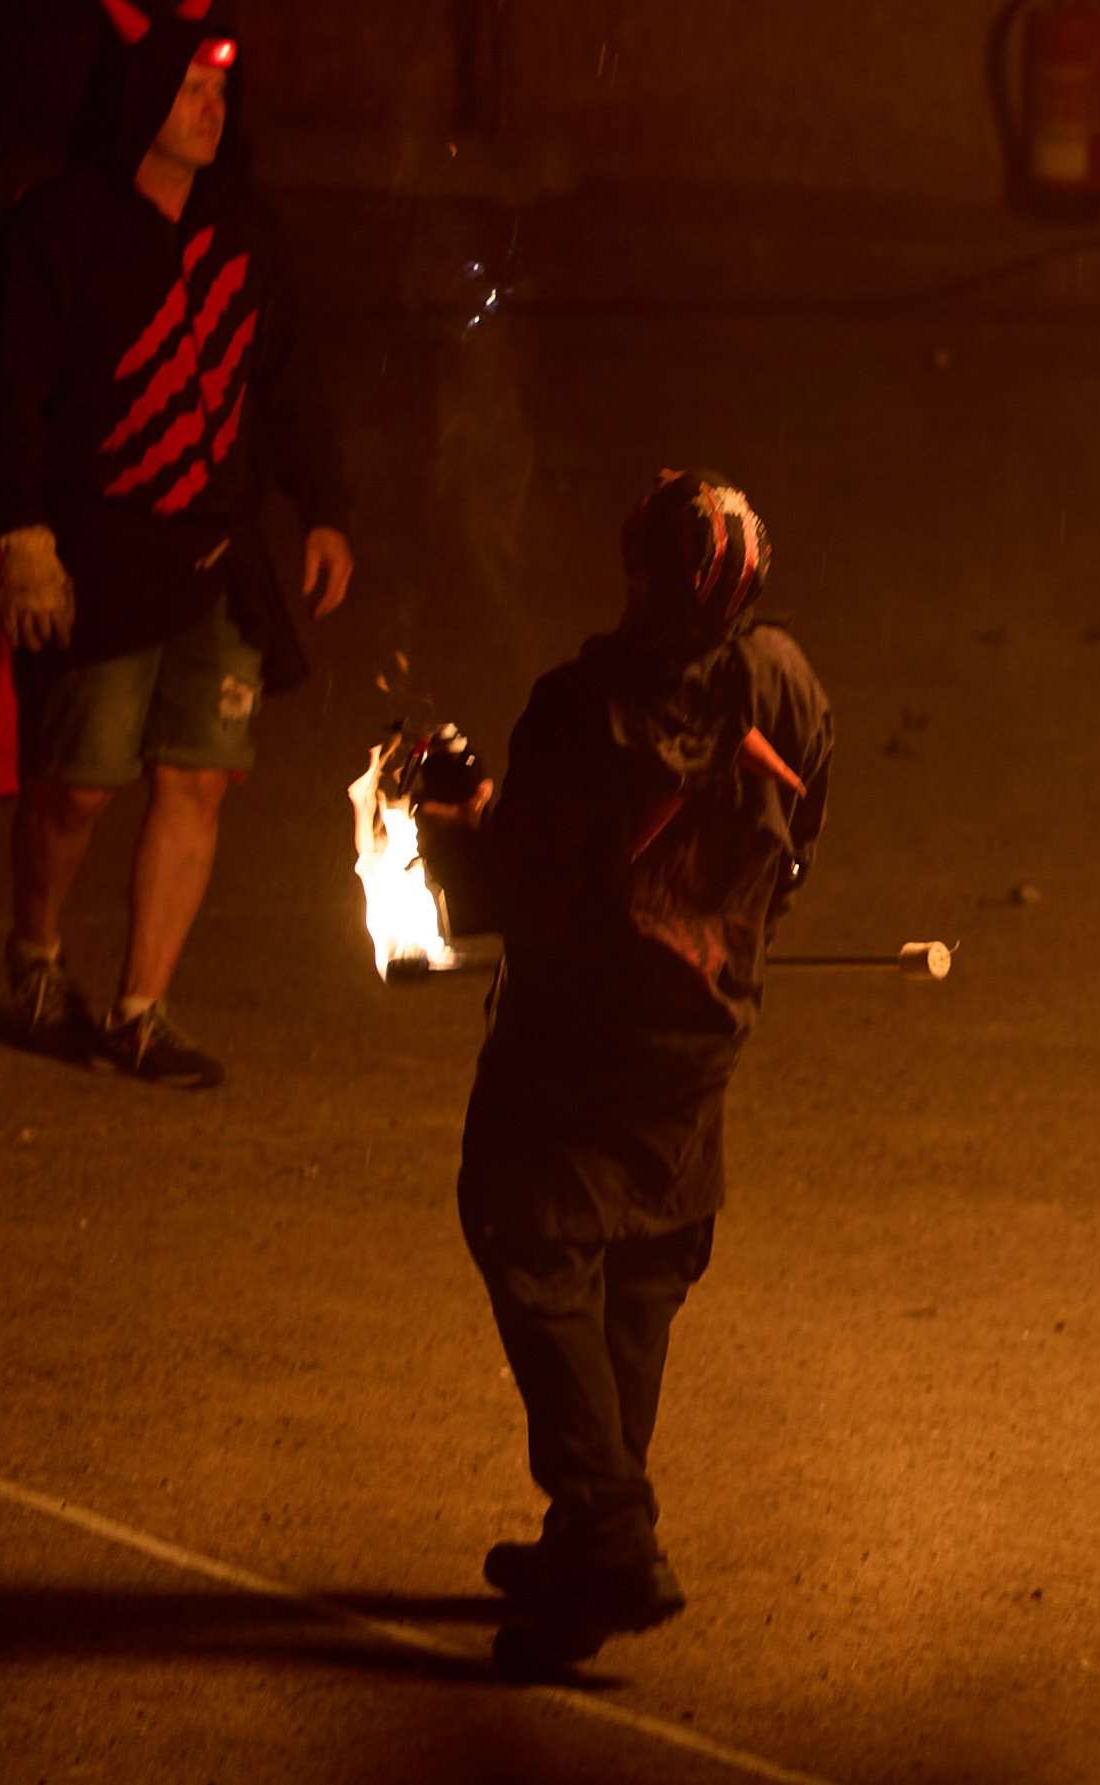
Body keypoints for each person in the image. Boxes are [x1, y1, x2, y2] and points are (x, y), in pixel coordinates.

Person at [435, 470, 834, 1674]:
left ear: (646, 577)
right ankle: (583, 1535)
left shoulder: (578, 707)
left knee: (530, 1233)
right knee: (644, 1261)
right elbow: (799, 845)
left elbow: (504, 891)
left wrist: (457, 815)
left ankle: (608, 1528)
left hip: (577, 1034)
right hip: (701, 1033)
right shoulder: (788, 683)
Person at [0, 0, 353, 1089]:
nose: (210, 109)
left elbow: (287, 378)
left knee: (194, 777)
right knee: (78, 786)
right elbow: (7, 392)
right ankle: (38, 959)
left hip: (220, 555)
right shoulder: (61, 228)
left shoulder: (246, 229)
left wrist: (324, 505)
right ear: (139, 102)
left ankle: (142, 1009)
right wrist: (24, 536)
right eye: (189, 89)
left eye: (220, 94)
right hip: (101, 552)